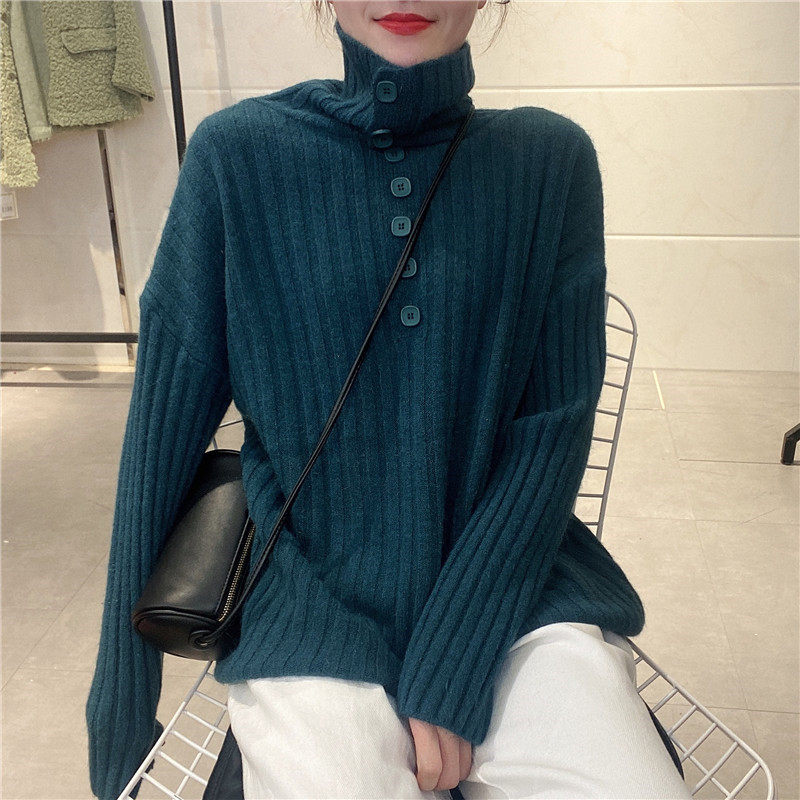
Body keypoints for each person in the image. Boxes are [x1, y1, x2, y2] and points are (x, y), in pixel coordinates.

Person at [84, 2, 695, 799]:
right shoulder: (237, 157)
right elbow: (157, 449)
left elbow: (552, 432)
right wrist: (121, 713)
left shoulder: (549, 161)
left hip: (515, 592)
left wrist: (454, 660)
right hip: (308, 603)